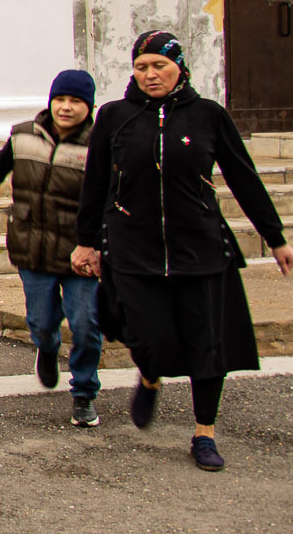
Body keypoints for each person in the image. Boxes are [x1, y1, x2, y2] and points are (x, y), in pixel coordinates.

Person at [72, 32, 293, 472]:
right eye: (142, 67)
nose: (151, 75)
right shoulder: (115, 117)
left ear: (179, 67)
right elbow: (95, 184)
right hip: (133, 248)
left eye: (160, 66)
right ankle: (150, 374)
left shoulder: (208, 115)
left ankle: (204, 433)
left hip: (201, 248)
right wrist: (86, 240)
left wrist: (276, 237)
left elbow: (244, 177)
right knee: (143, 333)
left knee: (206, 344)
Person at [0, 69, 102, 426]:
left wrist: (100, 245)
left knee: (85, 324)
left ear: (89, 107)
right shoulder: (23, 136)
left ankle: (84, 392)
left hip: (80, 251)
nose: (65, 108)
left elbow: (113, 196)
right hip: (32, 247)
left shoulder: (101, 145)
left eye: (75, 102)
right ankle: (47, 349)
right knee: (41, 321)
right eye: (60, 100)